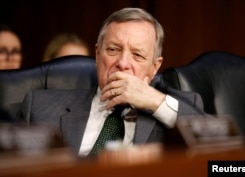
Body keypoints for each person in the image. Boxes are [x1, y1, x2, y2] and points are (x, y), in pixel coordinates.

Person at [19, 8, 204, 157]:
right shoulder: (39, 107)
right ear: (98, 55)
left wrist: (156, 102)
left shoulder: (174, 109)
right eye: (113, 50)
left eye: (137, 55)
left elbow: (214, 143)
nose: (122, 63)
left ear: (154, 67)